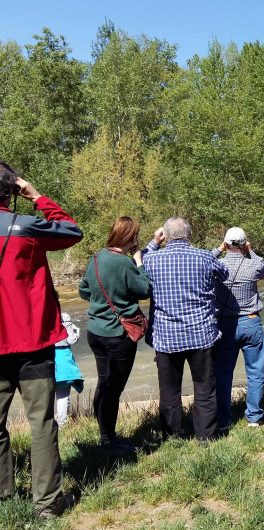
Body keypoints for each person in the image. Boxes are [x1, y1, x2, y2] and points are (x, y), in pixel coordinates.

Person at [0, 162, 81, 518]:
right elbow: (71, 231)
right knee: (41, 423)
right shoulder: (26, 227)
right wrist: (36, 196)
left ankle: (3, 493)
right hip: (32, 343)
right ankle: (48, 504)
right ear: (11, 190)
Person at [143, 218, 229, 442]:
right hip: (201, 333)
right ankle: (205, 436)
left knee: (170, 392)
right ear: (189, 235)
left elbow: (138, 264)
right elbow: (224, 274)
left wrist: (154, 242)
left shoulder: (151, 259)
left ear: (166, 236)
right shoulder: (204, 257)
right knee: (204, 390)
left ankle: (173, 437)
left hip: (166, 336)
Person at [79, 216, 151, 452]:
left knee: (104, 383)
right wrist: (139, 262)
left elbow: (83, 290)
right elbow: (145, 289)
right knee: (114, 389)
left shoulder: (96, 258)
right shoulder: (125, 263)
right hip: (118, 334)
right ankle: (109, 441)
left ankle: (104, 432)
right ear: (131, 238)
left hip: (95, 332)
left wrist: (102, 301)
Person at [212, 227, 264, 432]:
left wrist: (218, 249)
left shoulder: (216, 264)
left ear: (226, 243)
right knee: (255, 371)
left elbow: (202, 264)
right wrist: (250, 251)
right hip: (251, 321)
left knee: (222, 373)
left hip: (224, 324)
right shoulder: (253, 263)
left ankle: (223, 420)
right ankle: (254, 417)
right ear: (245, 244)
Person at [54, 312, 83, 426]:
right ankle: (62, 424)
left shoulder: (39, 315)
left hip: (44, 358)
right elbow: (71, 340)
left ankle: (47, 426)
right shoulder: (64, 316)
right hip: (63, 358)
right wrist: (77, 333)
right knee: (63, 395)